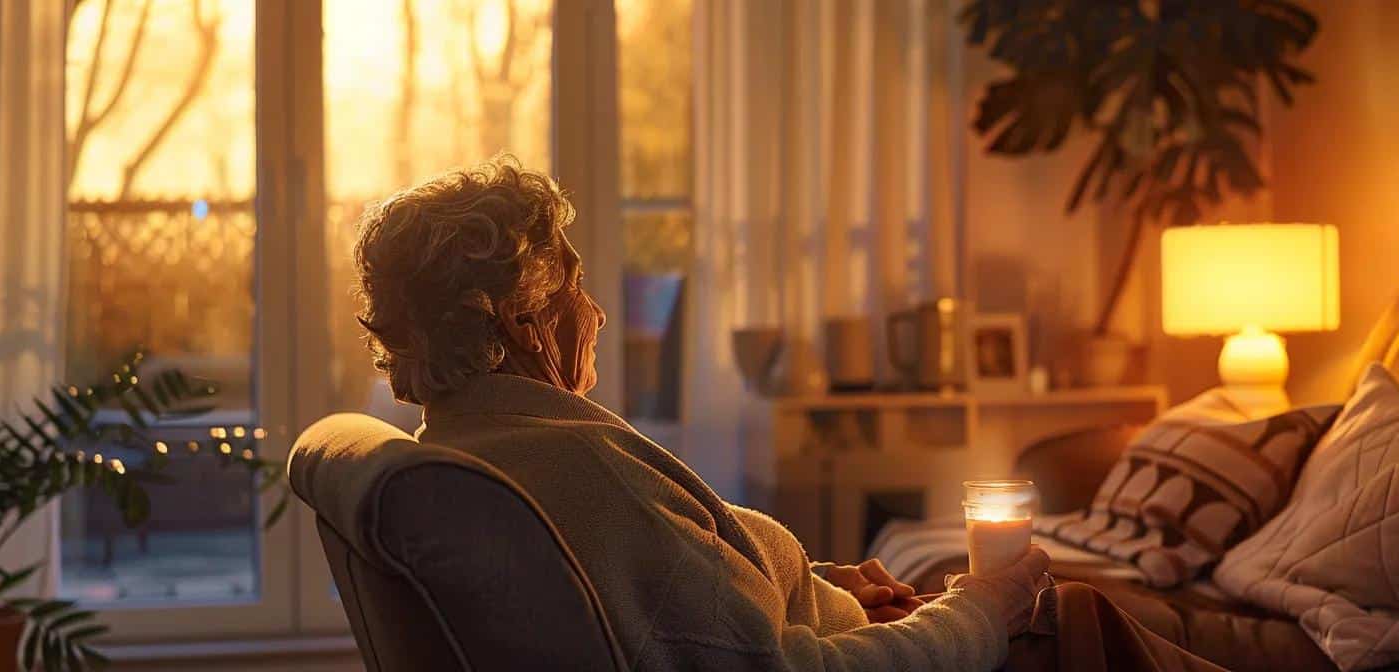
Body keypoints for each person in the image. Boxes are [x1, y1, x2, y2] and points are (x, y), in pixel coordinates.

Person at [351, 156, 1053, 671]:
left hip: (826, 618)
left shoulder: (487, 447)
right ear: (523, 323)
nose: (595, 313)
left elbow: (687, 612)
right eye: (576, 285)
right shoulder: (584, 473)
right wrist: (982, 610)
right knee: (1081, 621)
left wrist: (812, 588)